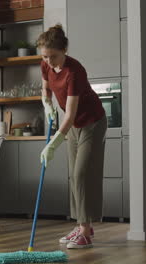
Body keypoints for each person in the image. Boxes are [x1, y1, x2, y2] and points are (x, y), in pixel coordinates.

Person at [37, 24, 107, 249]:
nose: (49, 61)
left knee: (81, 174)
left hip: (91, 122)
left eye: (53, 56)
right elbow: (45, 88)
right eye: (45, 57)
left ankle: (85, 232)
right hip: (74, 126)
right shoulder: (46, 64)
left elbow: (70, 115)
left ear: (64, 50)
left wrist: (52, 145)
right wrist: (46, 103)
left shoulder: (75, 71)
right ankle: (81, 224)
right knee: (73, 176)